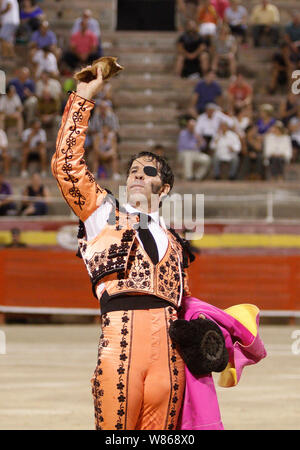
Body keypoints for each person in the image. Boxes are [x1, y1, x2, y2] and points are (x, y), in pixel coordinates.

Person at [51, 64, 266, 431]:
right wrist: (84, 97)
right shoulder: (103, 212)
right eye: (133, 169)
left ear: (164, 189)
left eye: (148, 172)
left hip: (169, 355)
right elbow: (67, 167)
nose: (137, 174)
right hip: (119, 342)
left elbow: (185, 304)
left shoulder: (176, 242)